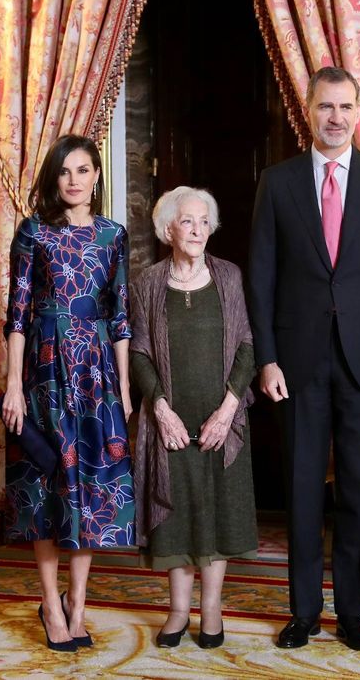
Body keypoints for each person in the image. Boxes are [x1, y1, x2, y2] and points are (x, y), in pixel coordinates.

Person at [247, 66, 360, 651]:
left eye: (346, 107)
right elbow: (261, 278)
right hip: (296, 363)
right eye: (326, 107)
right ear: (309, 110)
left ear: (358, 112)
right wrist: (265, 359)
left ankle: (352, 610)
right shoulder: (278, 181)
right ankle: (302, 612)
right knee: (300, 487)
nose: (336, 118)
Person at [1, 134, 135, 653]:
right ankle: (51, 606)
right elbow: (16, 314)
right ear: (54, 179)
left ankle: (78, 605)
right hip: (45, 369)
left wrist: (123, 388)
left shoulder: (113, 236)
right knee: (47, 485)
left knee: (93, 490)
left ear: (97, 176)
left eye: (84, 170)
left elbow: (121, 315)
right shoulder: (34, 232)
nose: (75, 180)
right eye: (65, 172)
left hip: (97, 372)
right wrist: (13, 384)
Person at [129, 186, 258, 650]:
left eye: (204, 221)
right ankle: (178, 610)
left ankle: (211, 609)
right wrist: (160, 409)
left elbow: (246, 345)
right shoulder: (147, 282)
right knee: (178, 510)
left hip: (220, 414)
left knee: (216, 509)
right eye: (188, 221)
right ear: (168, 229)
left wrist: (227, 410)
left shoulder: (228, 276)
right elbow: (140, 353)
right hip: (171, 417)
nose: (198, 229)